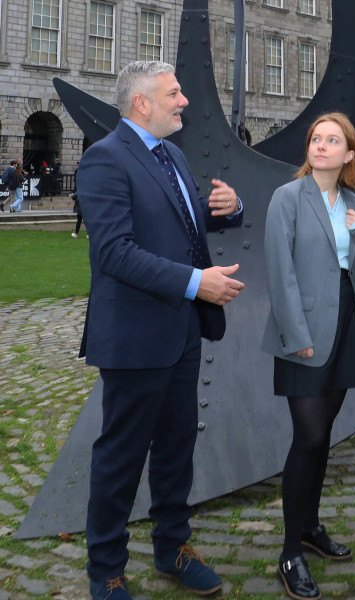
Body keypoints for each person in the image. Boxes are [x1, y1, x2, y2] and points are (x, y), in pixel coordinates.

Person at [78, 60, 245, 600]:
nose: (185, 102)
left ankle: (173, 546)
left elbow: (182, 222)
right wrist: (198, 283)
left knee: (175, 449)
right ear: (141, 103)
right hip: (134, 338)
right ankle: (106, 569)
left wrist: (226, 209)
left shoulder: (170, 153)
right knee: (121, 457)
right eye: (175, 93)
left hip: (181, 334)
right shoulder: (104, 160)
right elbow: (115, 252)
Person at [261, 112, 355, 600]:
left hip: (346, 324)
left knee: (323, 433)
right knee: (308, 435)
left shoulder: (351, 202)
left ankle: (309, 525)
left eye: (333, 141)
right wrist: (296, 332)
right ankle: (290, 551)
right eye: (316, 138)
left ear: (350, 154)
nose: (321, 146)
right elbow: (279, 268)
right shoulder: (288, 198)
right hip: (305, 330)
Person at [71, 161, 86, 238]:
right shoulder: (78, 172)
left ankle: (77, 233)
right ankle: (78, 233)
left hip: (82, 202)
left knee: (80, 219)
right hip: (82, 202)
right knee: (81, 219)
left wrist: (74, 195)